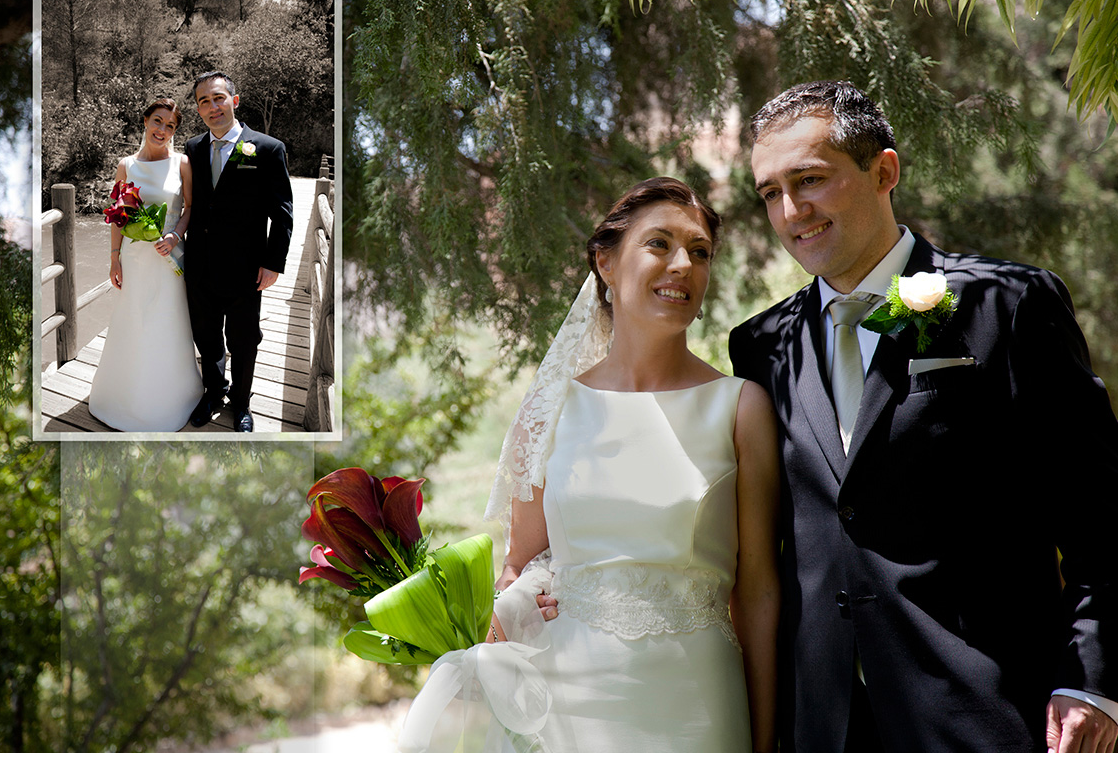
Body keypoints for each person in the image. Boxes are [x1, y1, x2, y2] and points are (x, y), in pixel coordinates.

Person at [730, 79, 1118, 752]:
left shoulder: (1007, 304)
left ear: (884, 171)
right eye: (770, 192)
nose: (792, 210)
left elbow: (1105, 517)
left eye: (811, 179)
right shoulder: (760, 346)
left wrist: (1090, 679)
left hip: (991, 712)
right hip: (822, 723)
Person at [401, 178, 780, 752]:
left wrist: (769, 739)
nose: (683, 264)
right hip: (565, 702)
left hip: (697, 699)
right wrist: (513, 607)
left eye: (699, 252)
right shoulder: (551, 408)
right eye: (659, 244)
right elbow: (517, 569)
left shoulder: (740, 407)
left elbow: (758, 593)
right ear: (605, 262)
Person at [183, 71, 293, 433]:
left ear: (235, 100)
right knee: (207, 336)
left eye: (218, 98)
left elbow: (282, 213)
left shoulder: (267, 148)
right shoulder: (193, 148)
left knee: (244, 341)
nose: (212, 107)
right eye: (203, 101)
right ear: (198, 109)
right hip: (199, 266)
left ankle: (242, 404)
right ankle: (214, 393)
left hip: (247, 269)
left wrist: (273, 263)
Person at [89, 98, 203, 432]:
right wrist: (114, 258)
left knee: (166, 322)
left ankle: (170, 398)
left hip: (168, 259)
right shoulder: (126, 166)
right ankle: (122, 397)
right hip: (135, 259)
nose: (163, 130)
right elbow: (117, 215)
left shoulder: (182, 163)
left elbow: (190, 208)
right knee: (134, 321)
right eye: (158, 121)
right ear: (145, 121)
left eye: (170, 126)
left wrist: (175, 237)